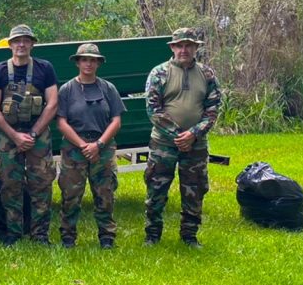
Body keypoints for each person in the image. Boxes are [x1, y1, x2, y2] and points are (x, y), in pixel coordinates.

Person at [144, 27, 222, 248]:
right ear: (172, 47)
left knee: (195, 189)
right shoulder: (159, 72)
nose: (184, 50)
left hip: (196, 144)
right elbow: (153, 110)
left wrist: (194, 134)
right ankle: (152, 235)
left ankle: (189, 235)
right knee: (156, 188)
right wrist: (178, 135)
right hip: (163, 143)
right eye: (179, 45)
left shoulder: (207, 74)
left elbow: (214, 107)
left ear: (196, 48)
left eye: (189, 45)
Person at [0, 24, 58, 245]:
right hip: (9, 137)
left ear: (32, 44)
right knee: (10, 185)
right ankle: (13, 233)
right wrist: (15, 136)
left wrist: (33, 134)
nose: (21, 44)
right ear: (10, 44)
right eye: (17, 41)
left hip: (38, 136)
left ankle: (40, 235)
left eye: (26, 40)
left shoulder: (45, 68)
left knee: (42, 185)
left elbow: (52, 104)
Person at [56, 43, 125, 249]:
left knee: (105, 194)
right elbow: (61, 122)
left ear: (98, 63)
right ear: (78, 62)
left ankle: (107, 237)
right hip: (74, 149)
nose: (89, 63)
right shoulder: (67, 89)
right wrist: (83, 145)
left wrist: (98, 144)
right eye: (84, 59)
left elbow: (116, 120)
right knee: (70, 195)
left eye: (93, 60)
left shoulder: (108, 88)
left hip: (103, 148)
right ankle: (68, 237)